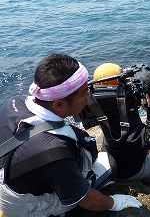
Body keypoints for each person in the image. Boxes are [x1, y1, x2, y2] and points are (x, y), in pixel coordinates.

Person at [0, 54, 142, 217]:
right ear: (59, 104)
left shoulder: (15, 102)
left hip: (7, 180)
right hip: (17, 207)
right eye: (84, 93)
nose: (89, 96)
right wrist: (114, 203)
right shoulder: (55, 152)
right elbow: (86, 200)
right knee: (110, 166)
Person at [87, 63, 150, 183]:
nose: (128, 82)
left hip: (112, 154)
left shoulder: (98, 106)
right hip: (128, 169)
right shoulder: (123, 117)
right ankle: (142, 180)